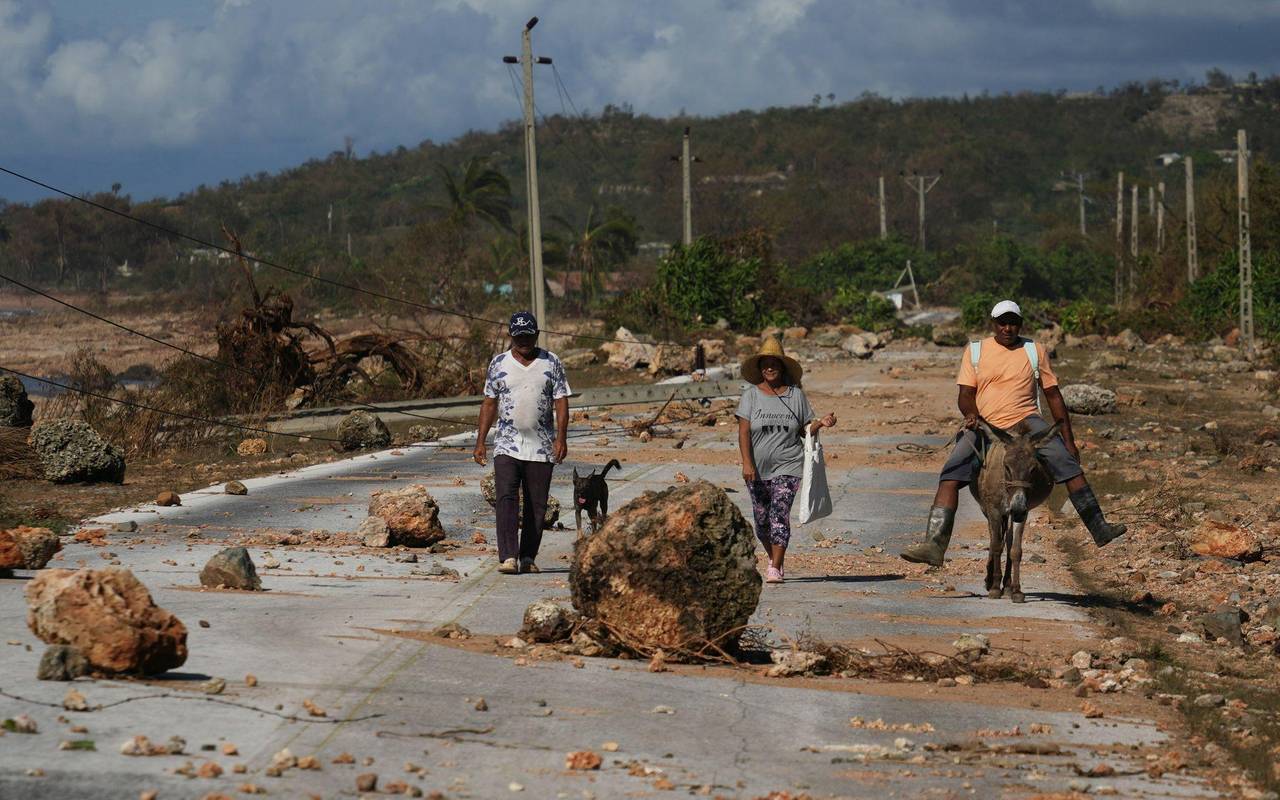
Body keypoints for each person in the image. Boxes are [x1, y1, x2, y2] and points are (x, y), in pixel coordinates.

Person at [900, 300, 1125, 567]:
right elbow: (965, 394)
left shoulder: (1034, 350)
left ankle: (1099, 527)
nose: (1008, 328)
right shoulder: (975, 351)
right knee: (951, 472)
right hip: (986, 423)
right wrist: (971, 415)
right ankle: (935, 545)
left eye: (1013, 323)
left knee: (1067, 463)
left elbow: (1052, 395)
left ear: (1020, 324)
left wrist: (1069, 439)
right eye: (1002, 322)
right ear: (993, 323)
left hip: (1027, 422)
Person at [474, 311, 570, 575]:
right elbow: (489, 402)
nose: (524, 342)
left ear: (536, 335)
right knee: (506, 497)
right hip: (507, 442)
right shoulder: (498, 364)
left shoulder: (552, 362)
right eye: (519, 338)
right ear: (511, 337)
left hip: (541, 444)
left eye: (528, 336)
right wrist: (480, 441)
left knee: (536, 503)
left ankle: (527, 556)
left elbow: (561, 400)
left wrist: (561, 437)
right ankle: (508, 556)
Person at [737, 337, 837, 583]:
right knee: (761, 521)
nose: (769, 368)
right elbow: (743, 432)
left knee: (779, 513)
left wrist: (820, 424)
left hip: (789, 464)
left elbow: (805, 430)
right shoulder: (750, 396)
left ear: (782, 367)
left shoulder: (796, 396)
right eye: (765, 364)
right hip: (758, 469)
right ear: (760, 368)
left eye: (774, 364)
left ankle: (775, 567)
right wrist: (746, 463)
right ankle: (775, 559)